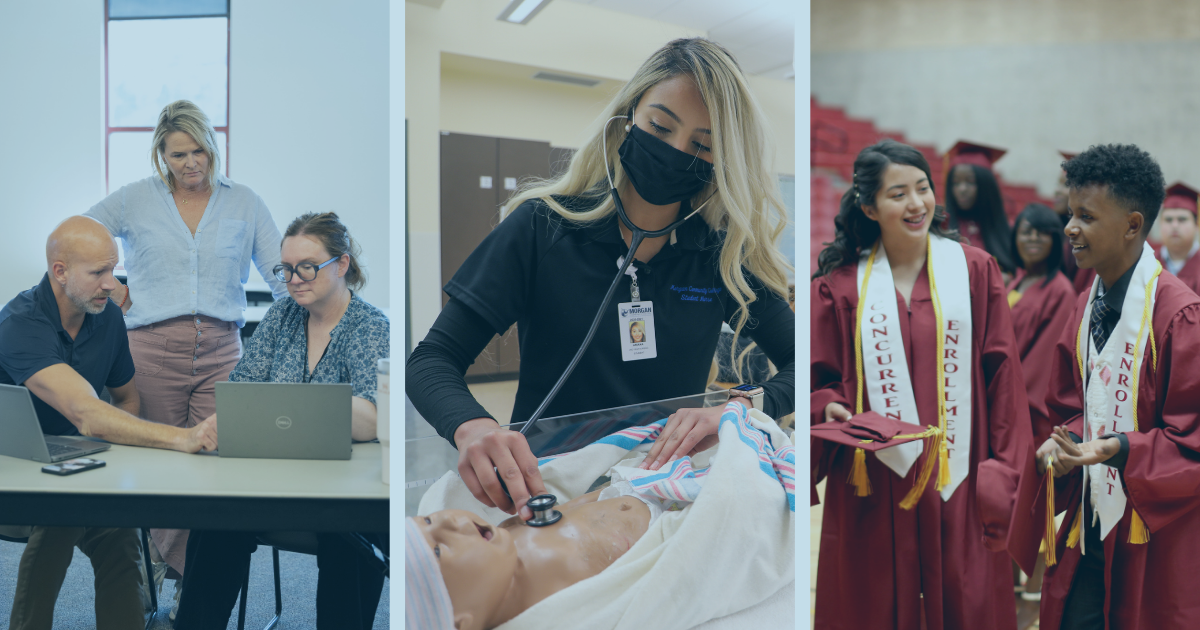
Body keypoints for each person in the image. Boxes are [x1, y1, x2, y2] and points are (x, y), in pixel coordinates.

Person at [406, 38, 795, 521]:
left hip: (663, 494)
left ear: (722, 162)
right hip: (547, 487)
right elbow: (431, 360)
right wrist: (473, 427)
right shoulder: (541, 227)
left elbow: (814, 364)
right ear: (627, 118)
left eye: (701, 145)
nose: (674, 151)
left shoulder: (722, 253)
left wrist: (740, 409)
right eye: (659, 126)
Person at [810, 139, 1038, 630]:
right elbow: (821, 378)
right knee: (872, 600)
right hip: (874, 474)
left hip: (960, 470)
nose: (916, 204)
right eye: (898, 194)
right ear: (869, 206)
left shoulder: (974, 270)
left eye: (923, 188)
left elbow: (1003, 378)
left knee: (967, 596)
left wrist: (1003, 468)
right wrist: (828, 405)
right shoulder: (841, 286)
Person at [85, 99, 289, 592]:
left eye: (199, 150)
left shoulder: (245, 201)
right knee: (160, 462)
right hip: (151, 350)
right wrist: (116, 290)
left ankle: (187, 584)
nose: (191, 163)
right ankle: (168, 574)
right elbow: (79, 237)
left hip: (222, 351)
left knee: (212, 468)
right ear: (162, 155)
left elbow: (279, 275)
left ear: (213, 147)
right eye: (178, 155)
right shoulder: (136, 198)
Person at [172, 212, 388, 630]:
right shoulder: (282, 317)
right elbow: (243, 390)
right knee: (215, 522)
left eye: (307, 267)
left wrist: (295, 404)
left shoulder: (370, 326)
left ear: (341, 265)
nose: (294, 279)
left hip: (339, 489)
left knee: (356, 539)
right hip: (267, 480)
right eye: (286, 269)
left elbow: (374, 419)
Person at [0, 217, 218, 630]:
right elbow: (86, 412)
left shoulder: (106, 316)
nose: (110, 283)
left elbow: (126, 398)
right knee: (61, 517)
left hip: (80, 468)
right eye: (98, 272)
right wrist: (184, 438)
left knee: (117, 531)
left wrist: (115, 466)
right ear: (59, 271)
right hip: (16, 477)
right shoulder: (19, 324)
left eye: (113, 269)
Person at [1034, 144, 1200, 629]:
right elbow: (1071, 402)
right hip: (1092, 519)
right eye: (1070, 213)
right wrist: (1063, 440)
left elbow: (1191, 439)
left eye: (1086, 216)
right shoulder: (1089, 304)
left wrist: (1119, 448)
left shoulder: (1178, 315)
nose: (1069, 228)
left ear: (1131, 225)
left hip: (1154, 529)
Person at [1005, 203, 1076, 622]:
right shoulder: (1019, 280)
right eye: (1024, 232)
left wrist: (1011, 404)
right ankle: (1012, 592)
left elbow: (1043, 362)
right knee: (1011, 505)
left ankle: (1029, 604)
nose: (1031, 239)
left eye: (1041, 233)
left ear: (1055, 241)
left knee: (1031, 508)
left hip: (1030, 416)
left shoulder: (1060, 290)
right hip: (1007, 407)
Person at [943, 140, 1019, 273]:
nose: (962, 189)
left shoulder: (1009, 231)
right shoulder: (942, 227)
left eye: (970, 182)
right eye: (956, 182)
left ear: (986, 186)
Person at [1156, 182, 1200, 293]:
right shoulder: (1147, 264)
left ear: (1196, 224)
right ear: (1160, 224)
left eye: (1182, 219)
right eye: (1168, 220)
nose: (1174, 226)